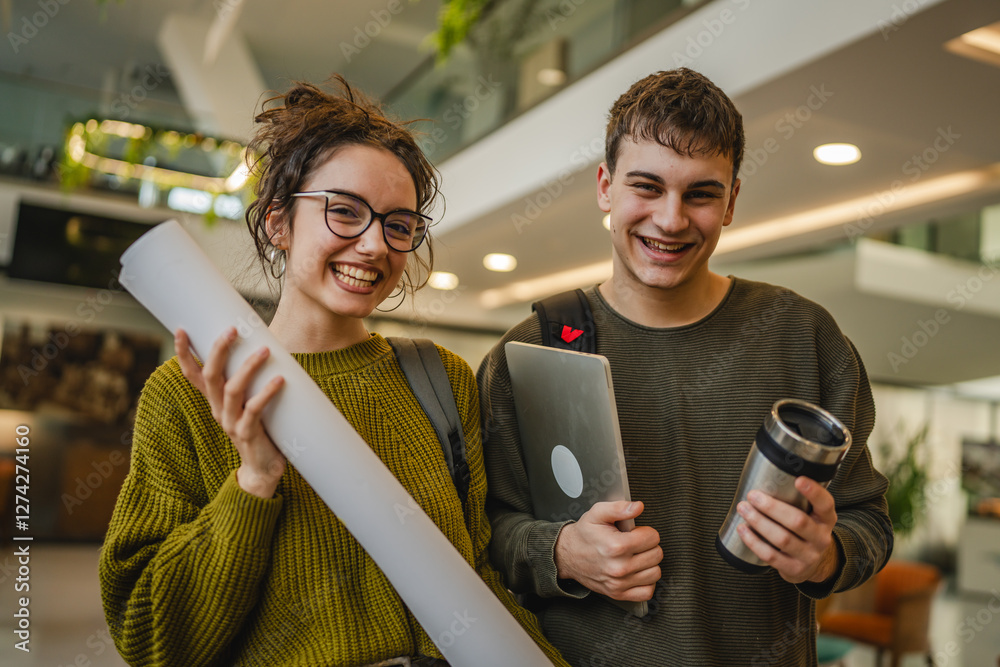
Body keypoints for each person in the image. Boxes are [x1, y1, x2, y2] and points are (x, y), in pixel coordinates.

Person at [100, 76, 568, 667]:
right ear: (278, 222)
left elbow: (477, 573)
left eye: (398, 224)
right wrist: (255, 480)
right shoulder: (188, 394)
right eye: (344, 212)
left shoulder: (439, 378)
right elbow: (152, 639)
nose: (375, 245)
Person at [477, 68, 893, 667]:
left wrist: (825, 557)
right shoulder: (535, 349)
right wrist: (563, 552)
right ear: (605, 187)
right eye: (646, 187)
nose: (671, 220)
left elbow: (868, 520)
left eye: (701, 193)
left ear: (731, 203)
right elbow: (484, 530)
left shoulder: (804, 336)